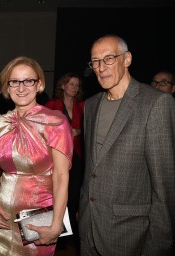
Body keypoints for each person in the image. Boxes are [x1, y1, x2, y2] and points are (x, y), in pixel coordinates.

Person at [79, 34, 175, 256]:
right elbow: (92, 168)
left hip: (130, 237)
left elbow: (165, 188)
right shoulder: (91, 105)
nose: (101, 67)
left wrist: (157, 247)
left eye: (109, 58)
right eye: (95, 61)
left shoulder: (157, 103)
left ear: (127, 59)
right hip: (89, 230)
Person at [0, 56, 73, 255]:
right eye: (14, 82)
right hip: (2, 219)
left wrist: (56, 224)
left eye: (28, 81)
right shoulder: (1, 122)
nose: (21, 87)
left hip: (37, 221)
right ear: (7, 88)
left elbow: (61, 176)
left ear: (39, 84)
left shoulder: (54, 122)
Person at [45, 72, 84, 254]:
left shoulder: (82, 106)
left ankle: (70, 234)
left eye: (77, 85)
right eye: (71, 84)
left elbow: (88, 129)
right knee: (57, 192)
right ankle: (57, 230)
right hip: (56, 156)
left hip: (76, 156)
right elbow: (43, 129)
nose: (74, 88)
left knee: (73, 194)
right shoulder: (52, 105)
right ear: (63, 86)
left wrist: (79, 132)